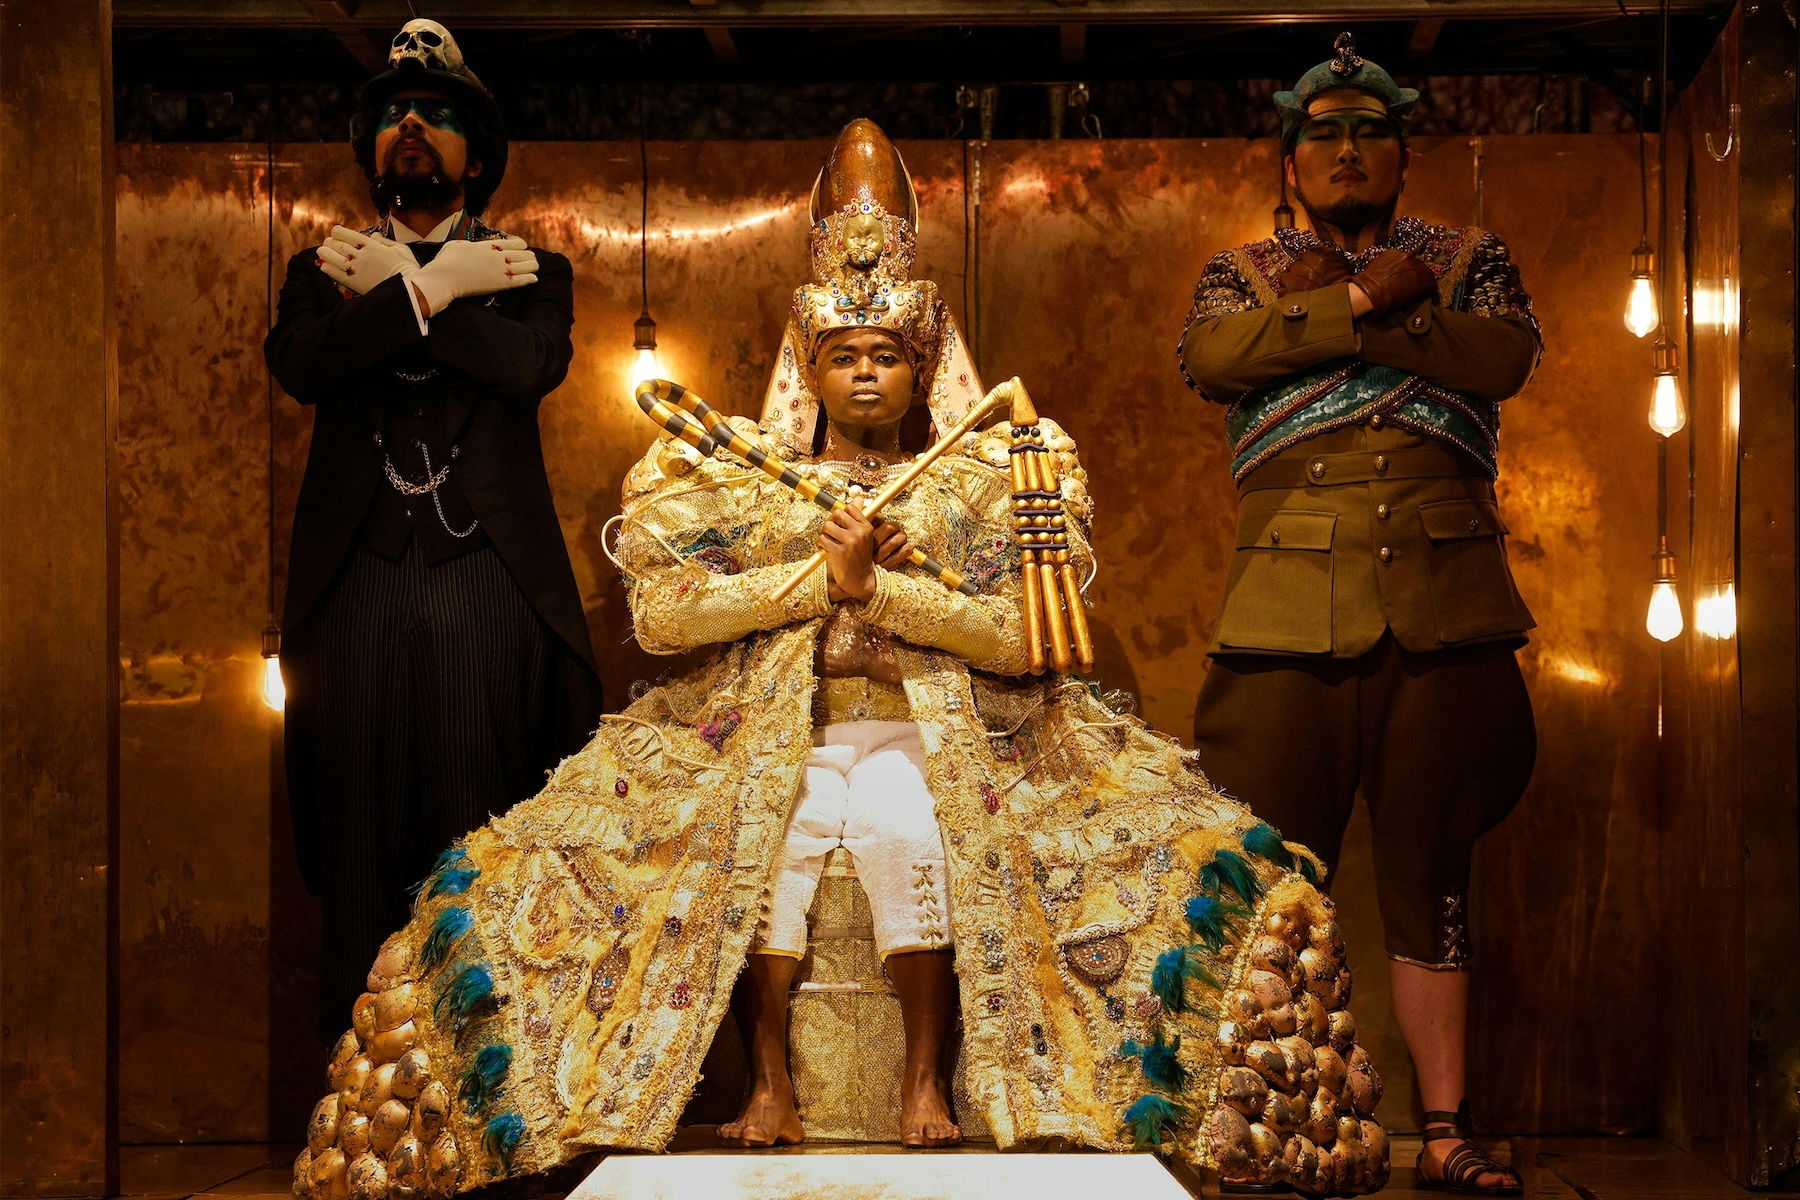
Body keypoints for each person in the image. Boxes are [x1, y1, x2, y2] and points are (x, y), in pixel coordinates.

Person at [291, 120, 1391, 1199]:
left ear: (925, 367)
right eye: (844, 357)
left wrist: (890, 594)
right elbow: (667, 616)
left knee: (936, 829)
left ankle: (926, 1076)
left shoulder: (990, 471)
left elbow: (1033, 635)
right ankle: (764, 1079)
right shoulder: (741, 473)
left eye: (888, 357)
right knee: (746, 837)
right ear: (807, 366)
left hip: (952, 734)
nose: (866, 377)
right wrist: (820, 582)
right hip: (773, 730)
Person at [1179, 32, 1540, 1197]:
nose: (1345, 150)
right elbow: (1216, 358)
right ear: (1288, 161)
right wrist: (1365, 298)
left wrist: (1358, 311)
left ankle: (1444, 1130)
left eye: (1368, 131)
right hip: (1285, 613)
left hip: (1446, 611)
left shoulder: (1471, 260)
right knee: (1271, 883)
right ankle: (1262, 1127)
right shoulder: (1239, 270)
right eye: (1321, 133)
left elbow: (1498, 360)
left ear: (1402, 154)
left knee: (1434, 875)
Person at [265, 19, 601, 1037]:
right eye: (394, 117)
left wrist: (423, 289)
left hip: (485, 579)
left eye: (440, 116)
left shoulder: (530, 273)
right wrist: (422, 294)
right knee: (361, 847)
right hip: (357, 580)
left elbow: (526, 368)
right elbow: (304, 367)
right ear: (370, 152)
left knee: (478, 843)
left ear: (479, 156)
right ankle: (358, 1131)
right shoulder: (319, 273)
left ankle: (483, 1141)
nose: (412, 127)